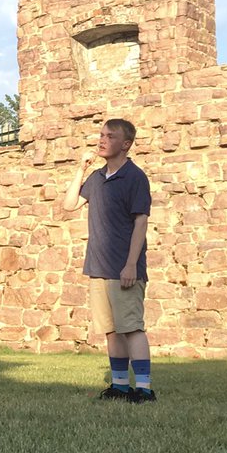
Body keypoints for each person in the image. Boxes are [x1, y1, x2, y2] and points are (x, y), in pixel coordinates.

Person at [62, 118, 155, 403]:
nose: (102, 140)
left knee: (132, 328)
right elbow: (68, 205)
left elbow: (141, 222)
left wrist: (130, 264)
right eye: (101, 135)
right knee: (111, 329)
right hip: (98, 267)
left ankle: (144, 389)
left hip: (124, 267)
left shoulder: (135, 177)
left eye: (110, 136)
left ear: (126, 144)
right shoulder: (97, 179)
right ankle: (119, 386)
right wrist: (82, 168)